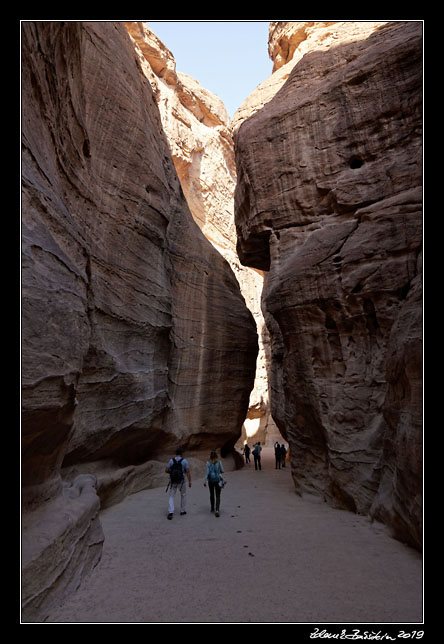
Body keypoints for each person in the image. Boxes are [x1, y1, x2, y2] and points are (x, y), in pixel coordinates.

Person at [165, 448, 191, 519]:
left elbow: (166, 470)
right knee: (183, 495)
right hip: (182, 481)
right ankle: (182, 511)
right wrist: (190, 481)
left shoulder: (171, 460)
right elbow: (188, 472)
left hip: (173, 481)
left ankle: (171, 511)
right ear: (181, 454)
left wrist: (172, 472)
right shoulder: (184, 461)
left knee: (171, 496)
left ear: (176, 453)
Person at [203, 450, 225, 517]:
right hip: (217, 480)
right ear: (216, 456)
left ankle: (212, 508)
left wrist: (204, 481)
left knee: (211, 494)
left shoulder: (208, 463)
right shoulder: (219, 462)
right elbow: (222, 471)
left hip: (211, 481)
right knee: (218, 495)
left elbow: (207, 473)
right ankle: (217, 509)